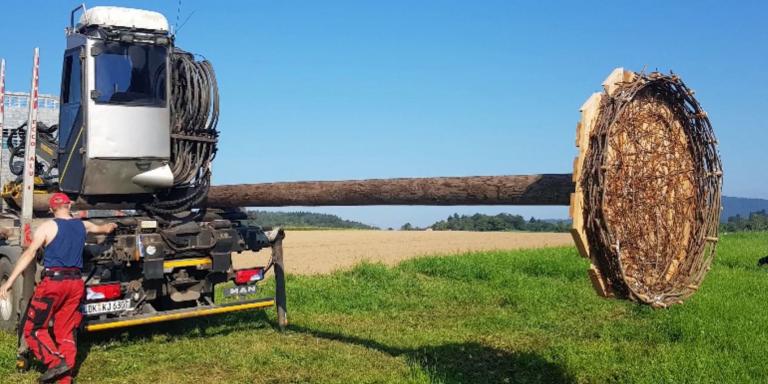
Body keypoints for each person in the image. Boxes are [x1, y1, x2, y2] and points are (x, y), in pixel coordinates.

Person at [0, 193, 117, 383]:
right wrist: (110, 227)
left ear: (51, 209)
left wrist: (9, 281)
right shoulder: (82, 225)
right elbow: (101, 228)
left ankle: (55, 363)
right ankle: (65, 378)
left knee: (34, 330)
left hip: (53, 284)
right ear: (69, 205)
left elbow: (30, 254)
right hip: (76, 284)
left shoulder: (47, 227)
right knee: (66, 329)